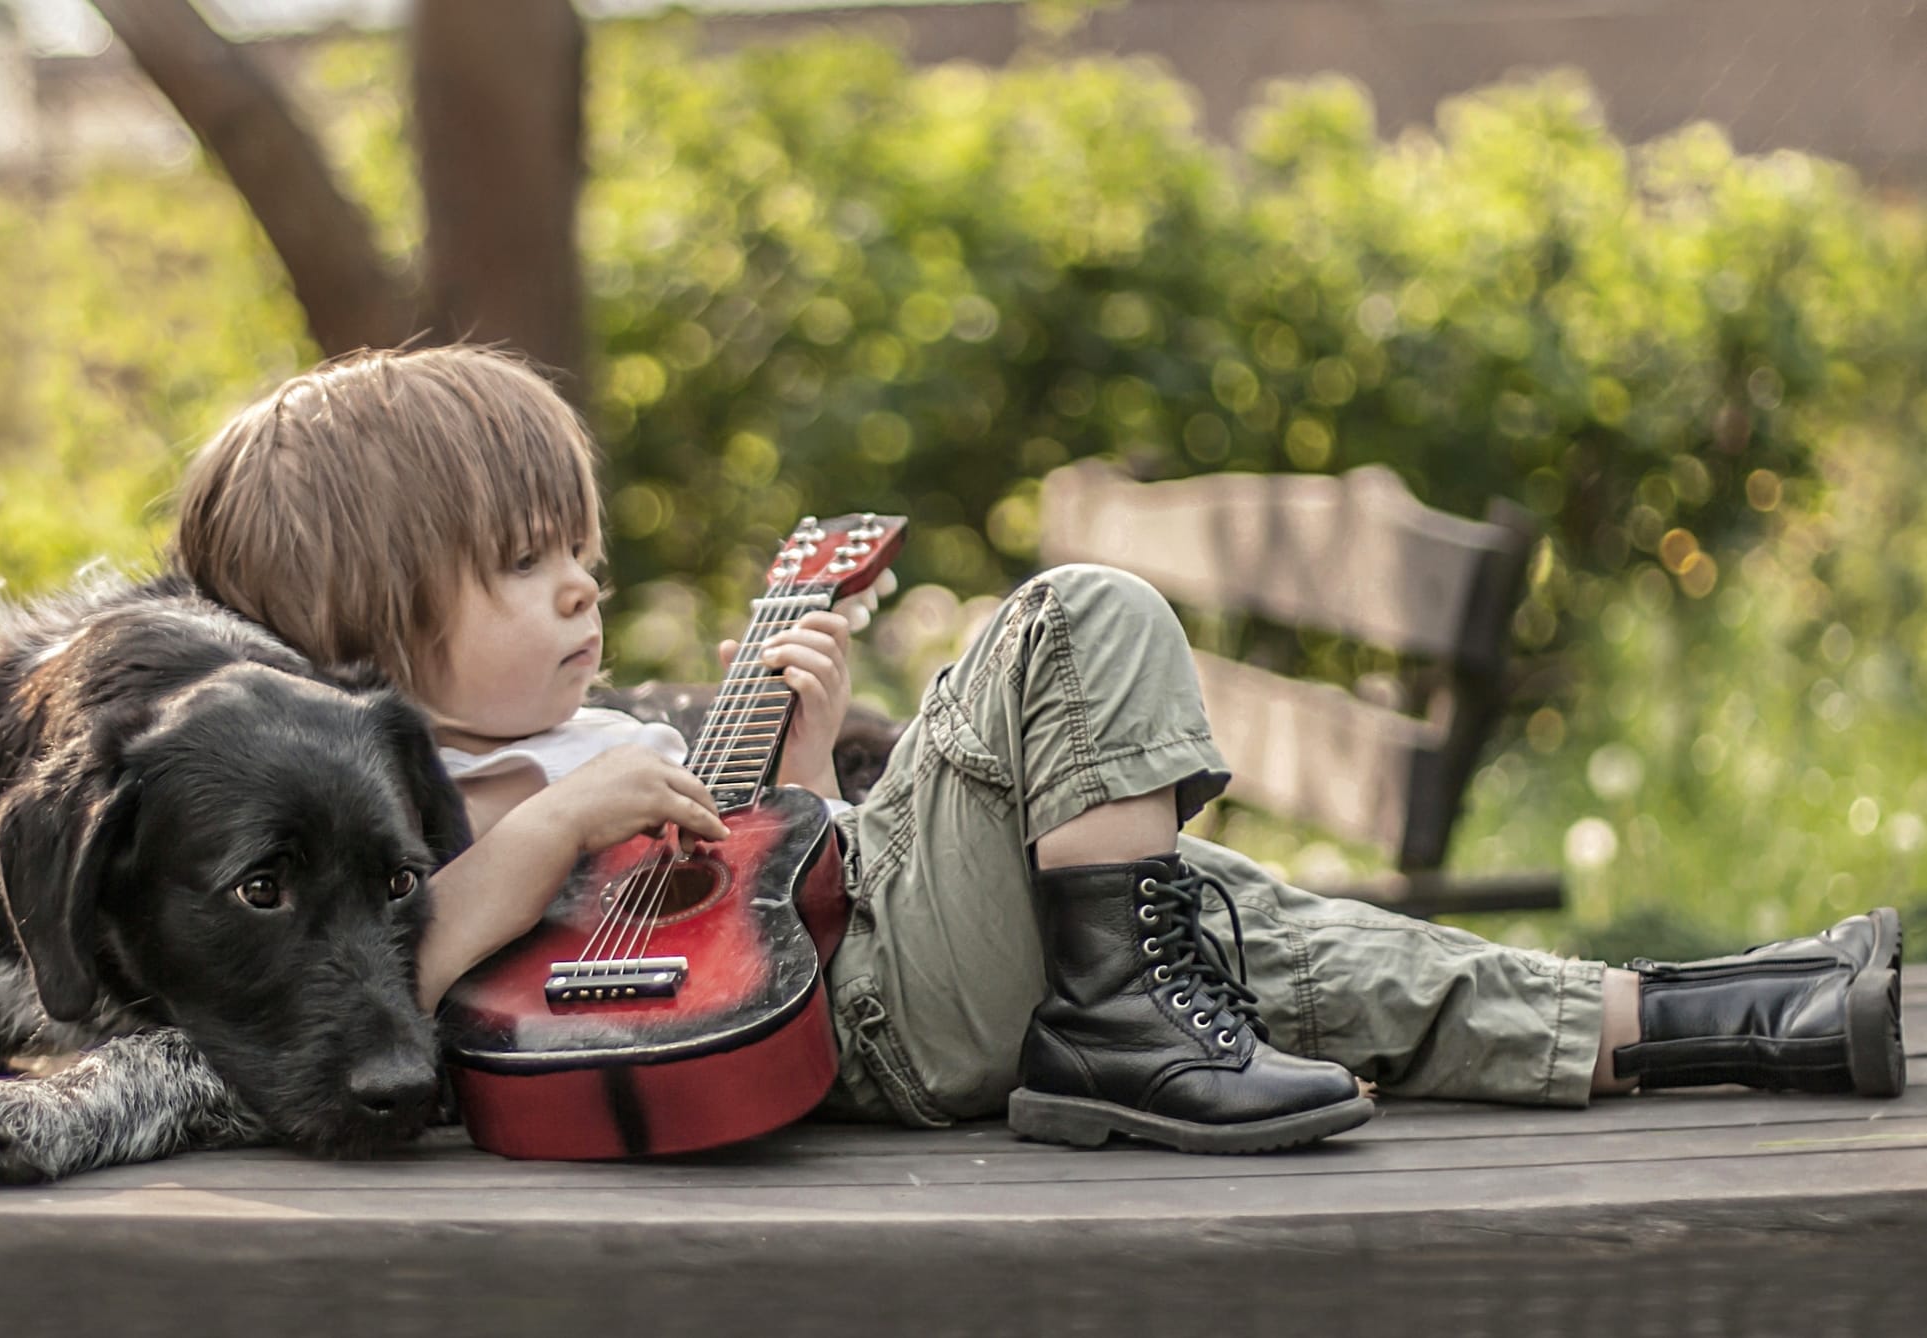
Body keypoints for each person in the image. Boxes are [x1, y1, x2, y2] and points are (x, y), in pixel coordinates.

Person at [171, 344, 1906, 1154]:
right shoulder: (404, 800)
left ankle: (1713, 1021)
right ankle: (1120, 1029)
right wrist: (557, 829)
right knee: (1073, 619)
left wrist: (766, 769)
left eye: (582, 549)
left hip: (828, 998)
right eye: (520, 562)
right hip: (856, 1030)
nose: (578, 584)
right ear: (372, 628)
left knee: (1238, 920)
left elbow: (752, 899)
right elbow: (379, 981)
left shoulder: (590, 733)